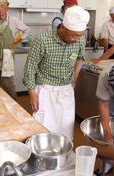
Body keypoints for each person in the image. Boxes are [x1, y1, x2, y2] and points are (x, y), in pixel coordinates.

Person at [23, 6, 89, 141]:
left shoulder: (80, 40)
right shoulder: (43, 40)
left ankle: (62, 156)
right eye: (74, 35)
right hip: (45, 91)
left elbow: (80, 58)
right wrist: (32, 93)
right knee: (43, 129)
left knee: (65, 128)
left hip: (66, 90)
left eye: (80, 35)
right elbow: (30, 67)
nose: (77, 39)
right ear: (63, 28)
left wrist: (74, 80)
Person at [0, 0, 30, 100]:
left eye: (2, 6)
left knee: (8, 82)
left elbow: (27, 30)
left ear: (7, 8)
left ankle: (14, 103)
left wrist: (16, 42)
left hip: (8, 55)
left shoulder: (13, 20)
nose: (0, 9)